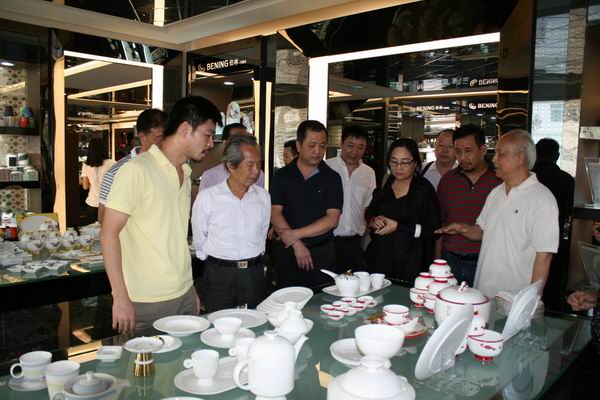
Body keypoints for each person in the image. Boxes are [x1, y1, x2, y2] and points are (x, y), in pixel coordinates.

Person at [101, 96, 222, 333]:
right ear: (185, 129)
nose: (210, 143)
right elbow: (108, 234)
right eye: (207, 135)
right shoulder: (136, 170)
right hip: (146, 301)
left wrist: (189, 289)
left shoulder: (185, 172)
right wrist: (120, 296)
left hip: (184, 294)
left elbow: (174, 239)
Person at [436, 130, 559, 298]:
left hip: (514, 297)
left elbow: (544, 256)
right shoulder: (496, 192)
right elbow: (482, 231)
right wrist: (462, 228)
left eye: (501, 153)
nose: (494, 159)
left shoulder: (541, 198)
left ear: (520, 158)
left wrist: (531, 300)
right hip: (484, 291)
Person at [192, 135, 269, 312]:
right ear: (231, 166)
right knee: (219, 322)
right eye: (250, 165)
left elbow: (262, 233)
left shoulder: (263, 197)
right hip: (220, 275)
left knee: (255, 321)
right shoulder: (208, 198)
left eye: (259, 164)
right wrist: (218, 262)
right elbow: (199, 238)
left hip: (253, 274)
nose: (256, 171)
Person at [270, 120, 343, 288]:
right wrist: (297, 244)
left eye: (322, 146)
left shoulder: (332, 178)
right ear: (298, 145)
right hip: (288, 252)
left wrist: (295, 235)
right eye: (312, 145)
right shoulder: (282, 176)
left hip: (321, 252)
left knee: (322, 299)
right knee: (287, 299)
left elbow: (332, 219)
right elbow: (275, 213)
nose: (317, 151)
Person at [365, 138, 441, 283]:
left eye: (405, 162)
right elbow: (370, 211)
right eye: (393, 162)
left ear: (415, 163)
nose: (398, 167)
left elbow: (433, 230)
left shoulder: (424, 190)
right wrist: (373, 221)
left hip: (411, 263)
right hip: (380, 260)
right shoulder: (386, 183)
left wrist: (399, 226)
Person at [436, 125, 500, 286]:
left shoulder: (499, 180)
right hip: (450, 258)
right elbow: (439, 223)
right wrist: (437, 260)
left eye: (468, 151)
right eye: (458, 151)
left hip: (486, 259)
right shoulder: (447, 180)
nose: (462, 157)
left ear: (483, 150)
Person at [97, 109, 166, 224]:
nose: (165, 143)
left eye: (168, 138)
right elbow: (103, 218)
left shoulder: (170, 167)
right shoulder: (116, 172)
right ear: (142, 137)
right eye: (160, 138)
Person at [326, 126, 376, 272]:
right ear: (341, 143)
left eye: (360, 147)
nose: (354, 152)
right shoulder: (326, 167)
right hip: (327, 240)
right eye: (350, 145)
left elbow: (369, 206)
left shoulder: (369, 173)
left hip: (355, 242)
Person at [533, 138, 575, 310]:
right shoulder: (566, 179)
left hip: (526, 241)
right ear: (556, 156)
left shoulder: (528, 178)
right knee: (552, 285)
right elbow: (570, 209)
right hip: (556, 240)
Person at [198, 123, 264, 190]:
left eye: (246, 139)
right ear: (225, 142)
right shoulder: (210, 177)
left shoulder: (257, 174)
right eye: (238, 139)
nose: (243, 143)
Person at [80, 137, 115, 224]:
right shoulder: (112, 163)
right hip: (109, 204)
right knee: (108, 229)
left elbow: (85, 186)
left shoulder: (86, 165)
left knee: (93, 230)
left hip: (92, 203)